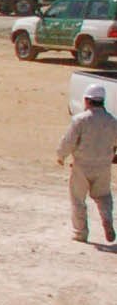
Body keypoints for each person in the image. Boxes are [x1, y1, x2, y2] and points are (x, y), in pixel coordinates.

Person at [55, 83, 115, 243]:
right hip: (103, 166)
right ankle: (107, 219)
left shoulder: (80, 120)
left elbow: (68, 141)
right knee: (103, 196)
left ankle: (80, 233)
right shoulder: (112, 121)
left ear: (87, 100)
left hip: (82, 165)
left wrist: (61, 156)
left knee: (78, 199)